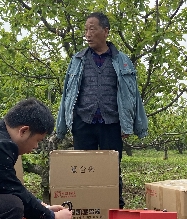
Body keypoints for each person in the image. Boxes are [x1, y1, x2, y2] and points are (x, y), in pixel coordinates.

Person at [55, 12, 148, 208]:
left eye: (92, 29)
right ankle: (83, 207)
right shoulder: (78, 59)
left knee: (112, 169)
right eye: (85, 30)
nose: (87, 34)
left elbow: (133, 95)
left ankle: (115, 207)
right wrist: (62, 126)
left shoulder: (122, 61)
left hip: (111, 124)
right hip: (84, 122)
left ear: (105, 31)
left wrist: (132, 125)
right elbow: (67, 93)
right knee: (81, 169)